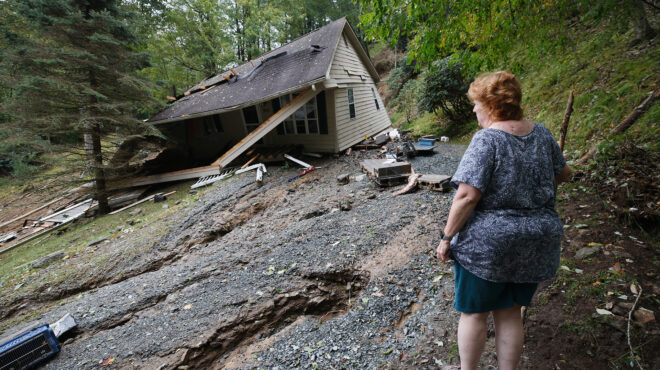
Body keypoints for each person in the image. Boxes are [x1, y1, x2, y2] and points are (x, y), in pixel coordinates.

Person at [437, 71, 571, 370]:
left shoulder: (487, 140)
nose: (473, 110)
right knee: (510, 311)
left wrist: (446, 238)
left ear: (492, 105)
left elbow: (467, 197)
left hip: (490, 246)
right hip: (538, 240)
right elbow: (563, 173)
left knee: (474, 313)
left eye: (476, 104)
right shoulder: (543, 134)